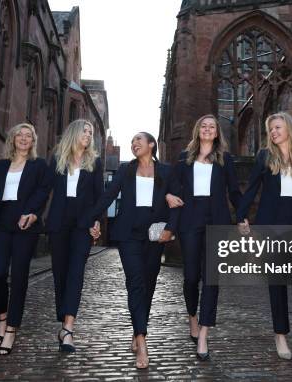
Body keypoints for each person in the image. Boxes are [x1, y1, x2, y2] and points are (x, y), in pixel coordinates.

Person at [236, 111, 292, 361]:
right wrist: (242, 217)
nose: (273, 132)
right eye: (270, 129)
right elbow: (251, 188)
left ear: (289, 129)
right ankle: (280, 335)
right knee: (277, 284)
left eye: (277, 127)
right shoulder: (265, 157)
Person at [88, 132, 177, 369]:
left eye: (139, 140)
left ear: (151, 145)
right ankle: (142, 338)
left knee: (148, 285)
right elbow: (108, 195)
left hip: (154, 236)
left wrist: (171, 228)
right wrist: (92, 219)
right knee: (136, 282)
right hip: (128, 235)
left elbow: (178, 201)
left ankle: (139, 326)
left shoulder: (166, 171)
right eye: (132, 141)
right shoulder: (126, 169)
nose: (134, 143)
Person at [165, 114, 242, 361]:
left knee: (212, 279)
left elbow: (234, 191)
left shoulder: (225, 160)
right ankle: (193, 318)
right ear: (198, 131)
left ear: (217, 133)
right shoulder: (183, 159)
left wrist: (242, 215)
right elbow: (173, 188)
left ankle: (204, 334)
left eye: (212, 127)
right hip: (189, 219)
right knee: (190, 277)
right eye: (204, 126)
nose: (208, 129)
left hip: (216, 220)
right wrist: (168, 196)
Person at [0, 123, 50, 355]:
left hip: (25, 225)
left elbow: (43, 191)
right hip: (1, 224)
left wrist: (32, 213)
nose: (23, 139)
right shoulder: (1, 165)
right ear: (12, 139)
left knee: (19, 276)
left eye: (28, 136)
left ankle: (11, 328)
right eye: (19, 135)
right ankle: (2, 317)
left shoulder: (39, 165)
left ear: (33, 141)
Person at [45, 119, 103, 352]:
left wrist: (96, 222)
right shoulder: (57, 159)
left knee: (76, 273)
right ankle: (63, 320)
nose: (88, 135)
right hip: (59, 222)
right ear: (74, 133)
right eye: (85, 131)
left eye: (91, 132)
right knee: (60, 273)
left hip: (83, 224)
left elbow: (100, 196)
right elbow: (43, 189)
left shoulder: (95, 163)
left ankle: (69, 328)